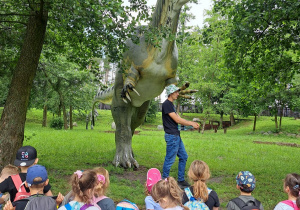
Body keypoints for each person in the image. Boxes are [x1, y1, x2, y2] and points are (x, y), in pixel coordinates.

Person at [162, 84, 199, 188]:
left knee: (183, 156)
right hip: (172, 137)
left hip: (176, 136)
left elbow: (178, 118)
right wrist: (191, 123)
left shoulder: (171, 104)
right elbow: (177, 120)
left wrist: (191, 124)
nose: (178, 93)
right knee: (170, 160)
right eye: (176, 92)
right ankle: (164, 182)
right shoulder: (166, 104)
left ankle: (181, 180)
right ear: (171, 93)